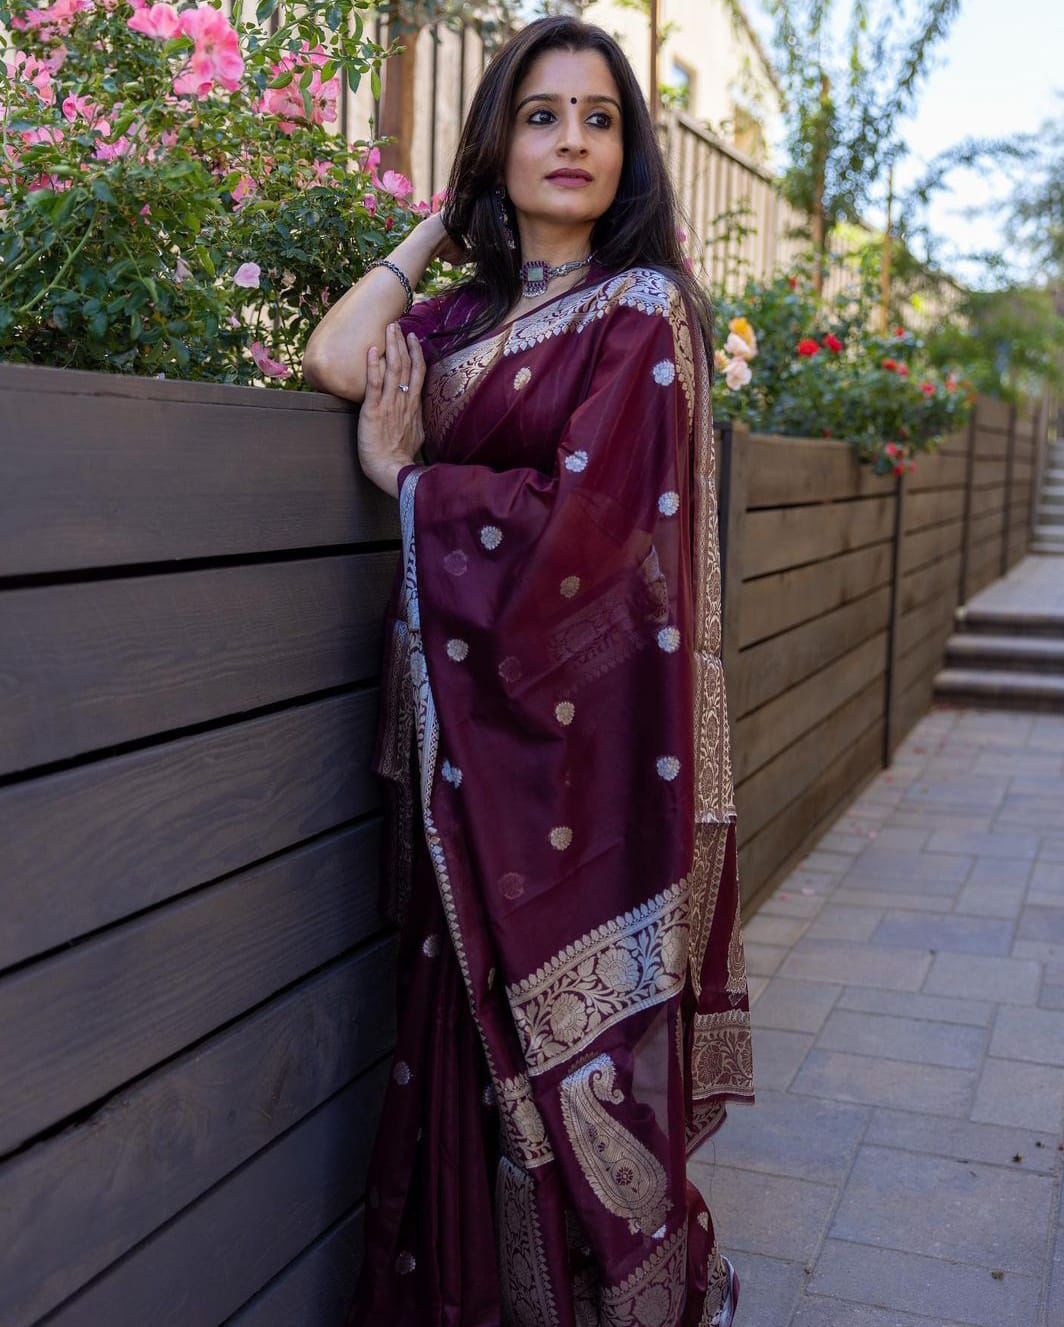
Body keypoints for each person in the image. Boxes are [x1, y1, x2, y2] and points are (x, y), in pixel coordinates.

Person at [303, 14, 755, 1325]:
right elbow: (337, 356)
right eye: (542, 114)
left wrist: (413, 482)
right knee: (460, 1052)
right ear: (496, 140)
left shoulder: (648, 312)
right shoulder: (461, 318)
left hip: (588, 764)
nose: (572, 141)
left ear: (631, 154)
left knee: (583, 1075)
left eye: (600, 118)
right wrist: (434, 228)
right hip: (466, 752)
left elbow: (592, 544)